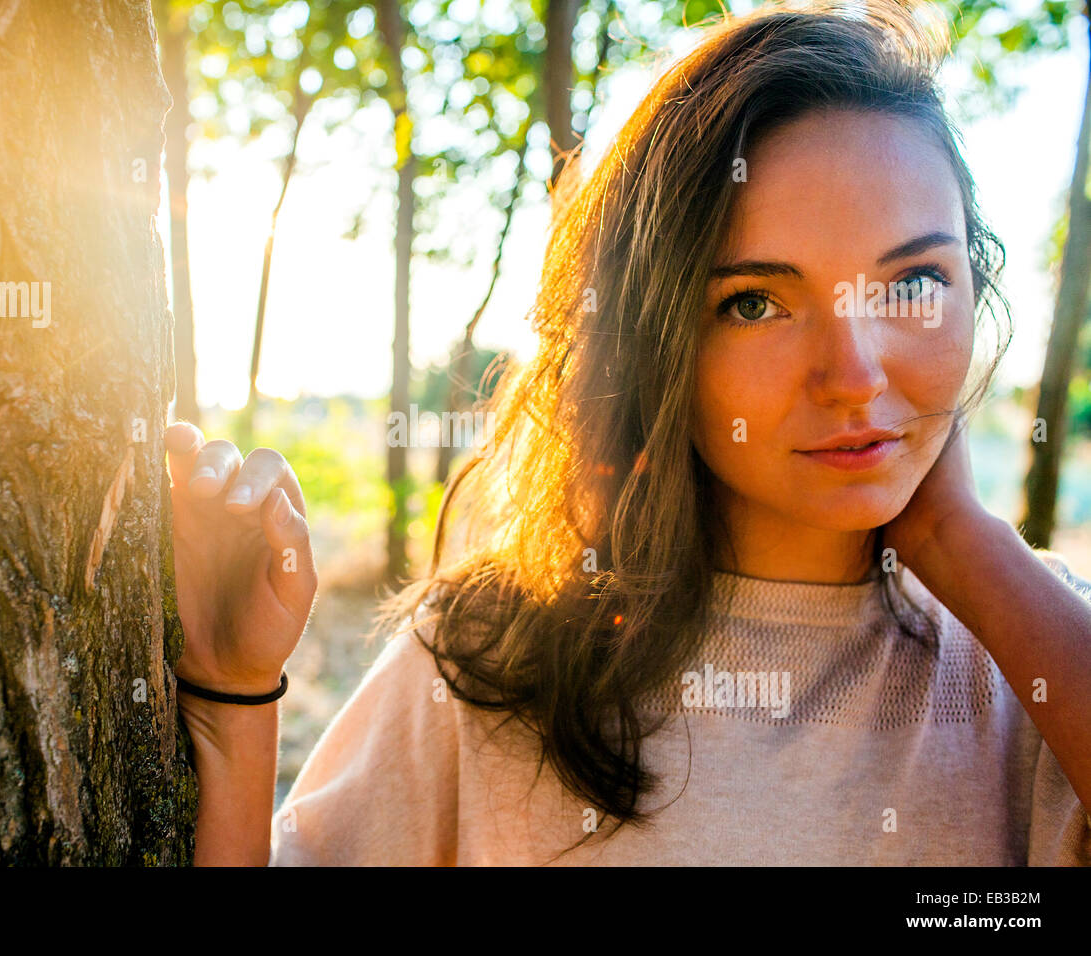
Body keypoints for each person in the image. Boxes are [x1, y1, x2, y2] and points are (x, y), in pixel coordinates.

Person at [164, 0, 1091, 865]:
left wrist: (961, 547)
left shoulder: (1035, 653)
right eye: (757, 302)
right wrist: (232, 696)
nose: (854, 375)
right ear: (653, 336)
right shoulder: (500, 653)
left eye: (911, 284)